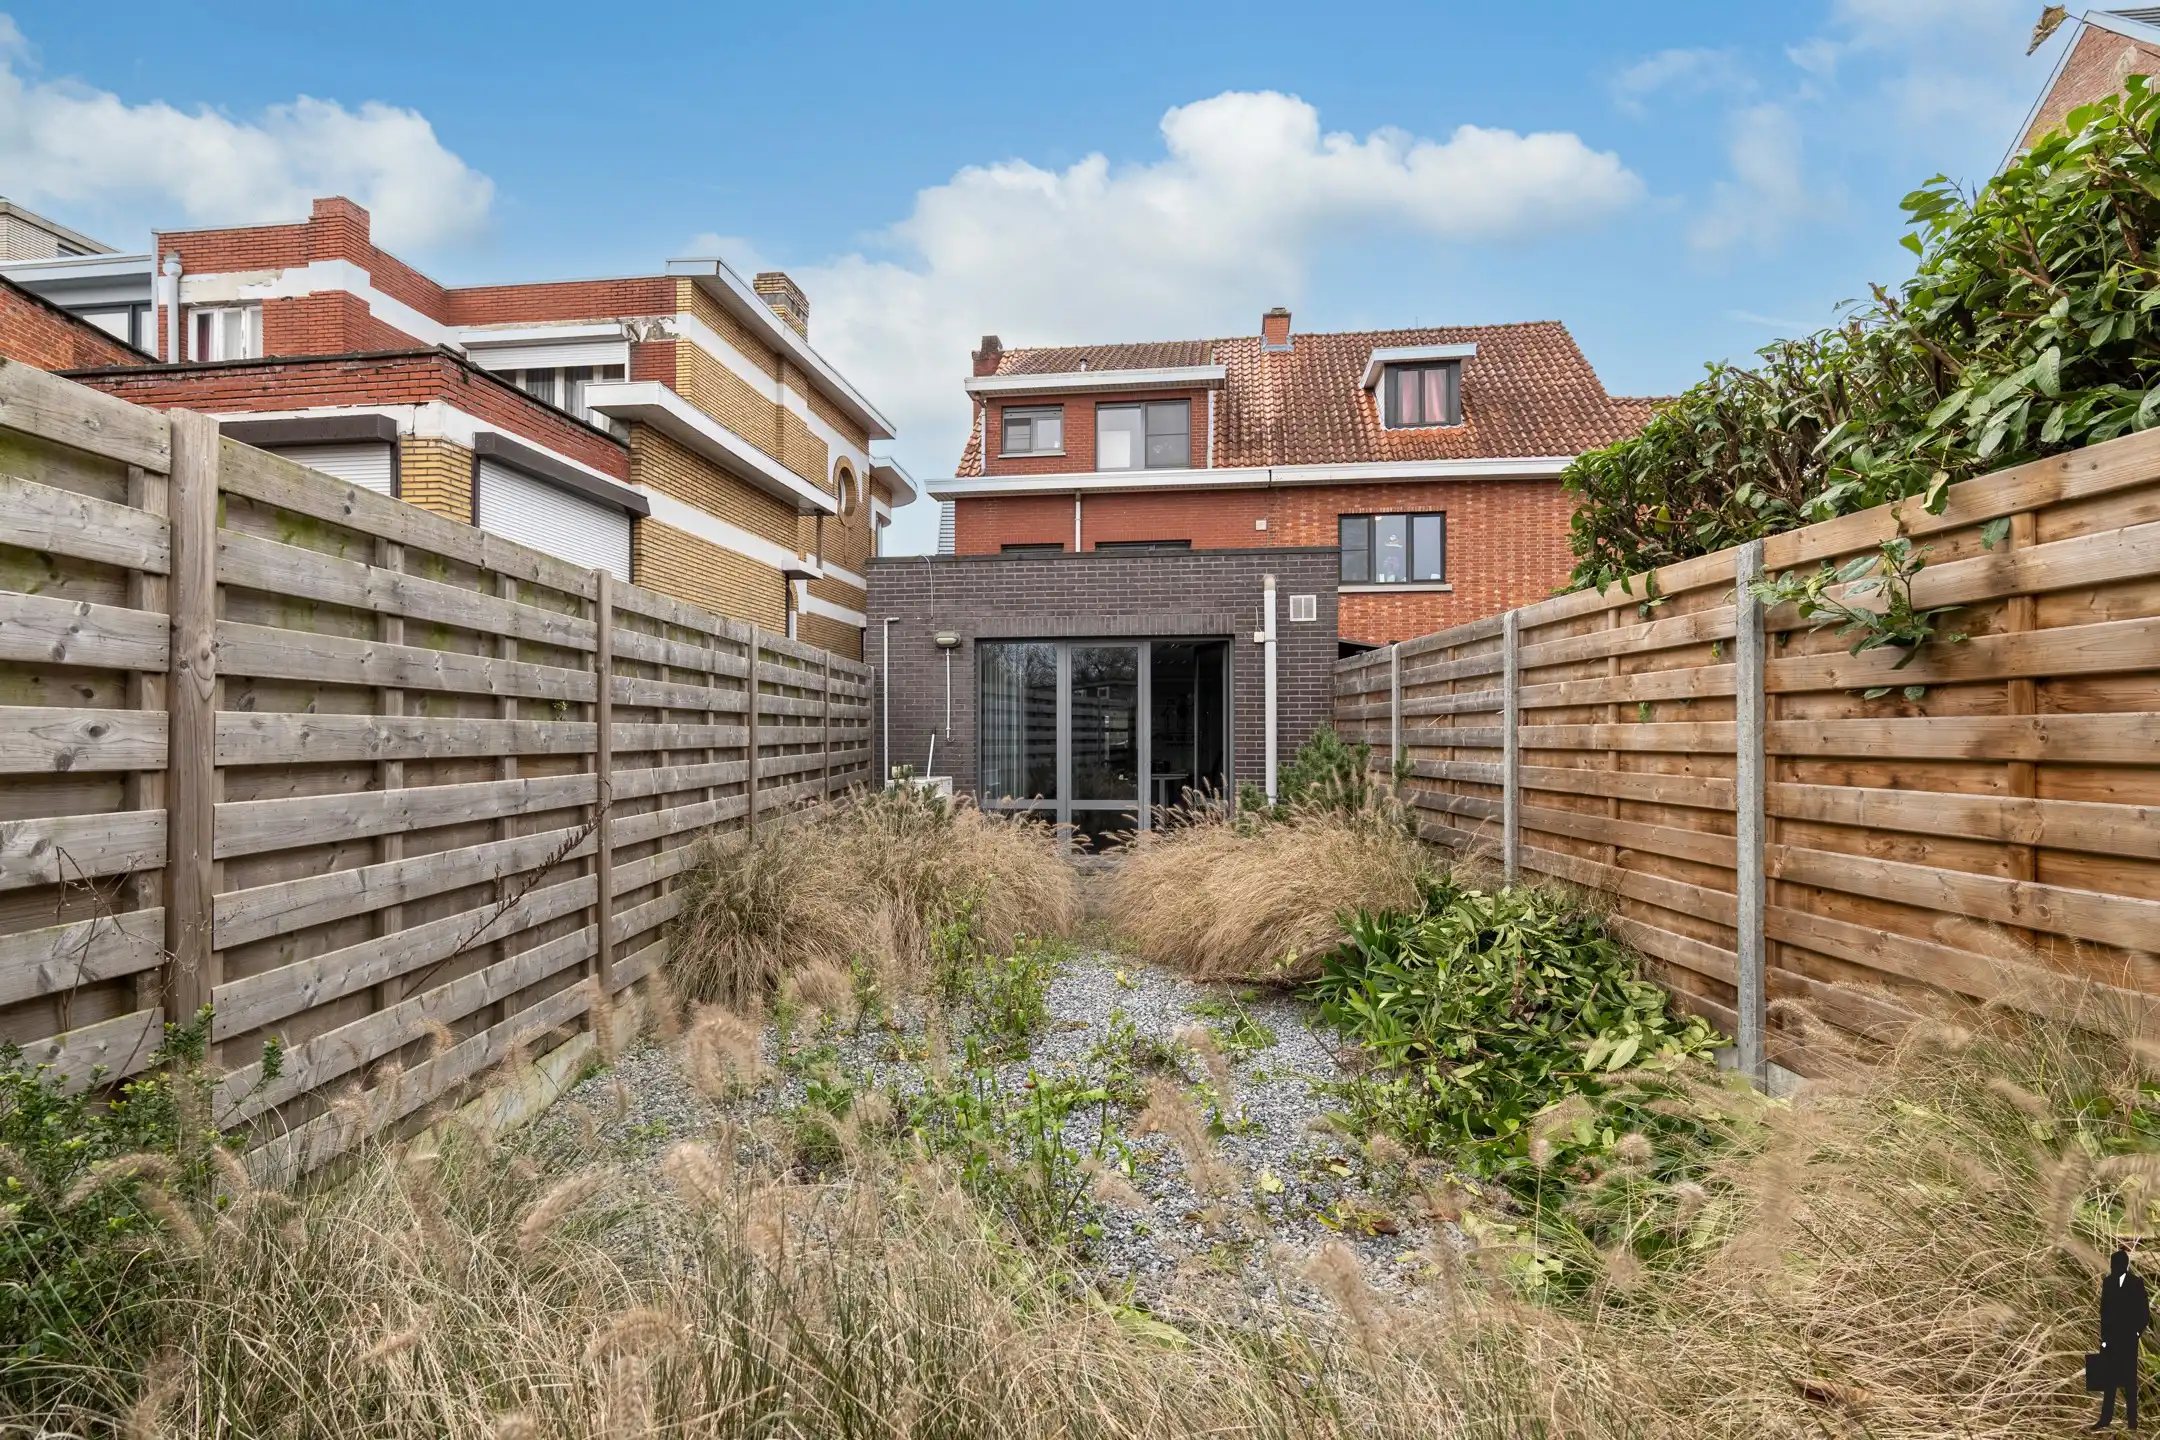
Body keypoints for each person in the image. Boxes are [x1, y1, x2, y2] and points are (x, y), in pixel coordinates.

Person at [2095, 1244, 2151, 1430]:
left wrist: (2136, 1332)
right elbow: (2104, 1312)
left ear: (2124, 1265)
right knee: (2109, 1382)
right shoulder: (2108, 1282)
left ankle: (2132, 1423)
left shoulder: (2136, 1283)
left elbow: (2144, 1312)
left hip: (2128, 1339)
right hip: (2111, 1339)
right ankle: (2105, 1420)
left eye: (2116, 1264)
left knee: (2129, 1382)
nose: (2113, 1267)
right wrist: (2103, 1338)